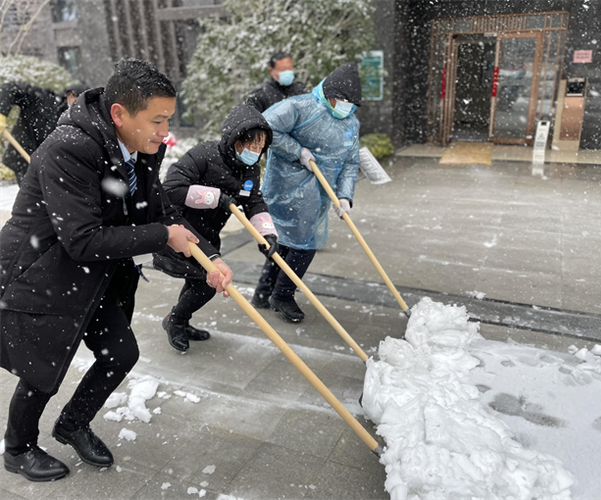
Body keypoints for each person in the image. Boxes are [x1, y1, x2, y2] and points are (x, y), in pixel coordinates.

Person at [0, 59, 232, 482]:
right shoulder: (68, 148)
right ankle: (17, 448)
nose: (165, 132)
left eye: (168, 120)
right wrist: (162, 236)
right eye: (157, 121)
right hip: (43, 270)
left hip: (97, 270)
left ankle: (72, 423)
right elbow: (83, 239)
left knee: (120, 354)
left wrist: (209, 257)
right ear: (120, 114)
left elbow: (157, 207)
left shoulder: (142, 146)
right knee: (44, 367)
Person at [154, 103, 278, 352]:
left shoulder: (249, 168)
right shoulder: (204, 155)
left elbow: (253, 200)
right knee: (206, 283)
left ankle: (180, 320)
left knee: (196, 281)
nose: (256, 151)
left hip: (209, 232)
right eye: (252, 144)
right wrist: (216, 197)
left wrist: (266, 233)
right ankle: (175, 320)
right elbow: (171, 189)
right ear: (235, 138)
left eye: (260, 146)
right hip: (183, 228)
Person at [251, 62, 361, 322]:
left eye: (351, 102)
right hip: (286, 188)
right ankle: (283, 295)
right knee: (302, 246)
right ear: (329, 93)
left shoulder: (351, 123)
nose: (346, 105)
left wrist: (345, 196)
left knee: (289, 244)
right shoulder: (301, 107)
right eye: (342, 99)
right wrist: (297, 151)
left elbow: (350, 162)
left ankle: (264, 292)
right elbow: (265, 127)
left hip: (320, 193)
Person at [0, 81, 88, 184]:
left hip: (52, 170)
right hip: (25, 160)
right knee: (32, 196)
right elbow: (10, 88)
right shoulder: (42, 99)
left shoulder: (79, 123)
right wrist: (2, 113)